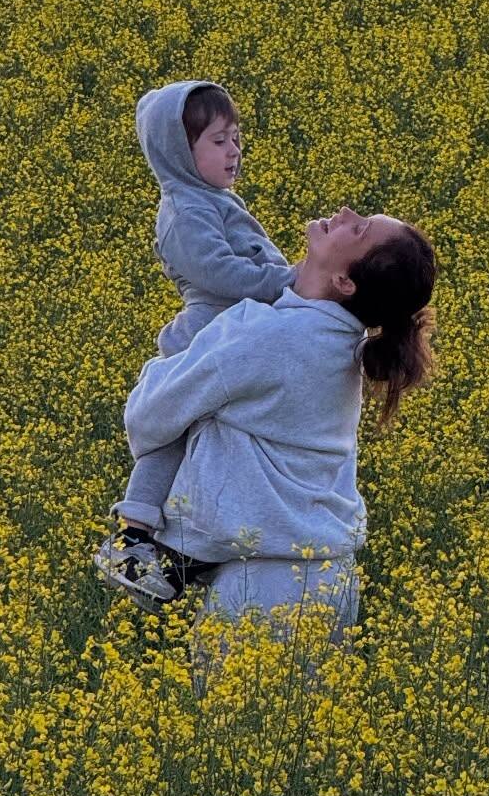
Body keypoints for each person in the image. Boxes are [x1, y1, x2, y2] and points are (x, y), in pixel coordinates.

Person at [118, 205, 437, 652]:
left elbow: (148, 414)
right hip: (319, 578)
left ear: (345, 283)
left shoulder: (272, 337)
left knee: (234, 723)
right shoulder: (337, 341)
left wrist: (173, 352)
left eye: (359, 229)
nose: (345, 213)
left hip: (267, 591)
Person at [93, 79, 298, 608]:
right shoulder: (185, 210)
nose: (234, 151)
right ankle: (131, 535)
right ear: (179, 153)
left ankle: (181, 550)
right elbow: (218, 272)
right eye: (217, 140)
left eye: (236, 138)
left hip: (236, 331)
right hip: (207, 329)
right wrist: (287, 285)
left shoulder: (213, 200)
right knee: (172, 430)